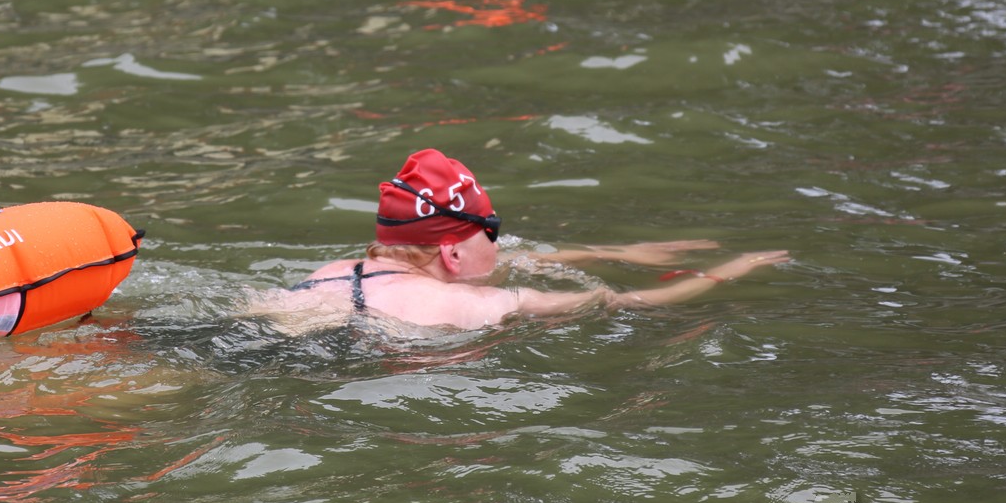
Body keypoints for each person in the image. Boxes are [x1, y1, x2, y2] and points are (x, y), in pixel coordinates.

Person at [252, 148, 788, 332]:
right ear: (452, 253)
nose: (500, 244)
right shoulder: (483, 302)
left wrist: (612, 252)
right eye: (492, 230)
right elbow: (626, 300)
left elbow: (523, 258)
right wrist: (727, 273)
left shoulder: (336, 273)